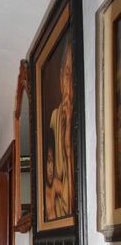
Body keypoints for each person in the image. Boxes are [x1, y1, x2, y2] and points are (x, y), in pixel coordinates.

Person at [48, 37, 74, 218]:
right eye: (67, 75)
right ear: (60, 78)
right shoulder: (55, 119)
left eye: (72, 77)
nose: (69, 85)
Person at [45, 130, 63, 220]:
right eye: (48, 161)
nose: (51, 168)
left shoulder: (55, 183)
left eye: (53, 161)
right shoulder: (40, 192)